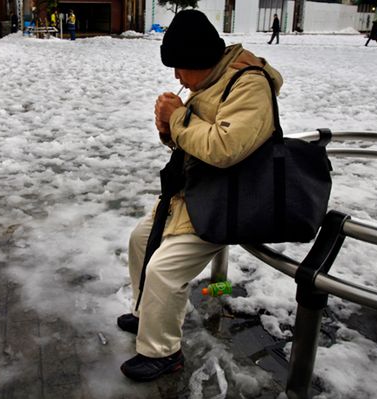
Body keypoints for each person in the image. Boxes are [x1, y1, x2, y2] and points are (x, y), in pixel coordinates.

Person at [117, 9, 283, 382]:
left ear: (197, 59)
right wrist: (167, 128)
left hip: (228, 201)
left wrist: (177, 119)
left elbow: (224, 147)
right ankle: (148, 315)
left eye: (179, 66)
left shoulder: (248, 85)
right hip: (195, 191)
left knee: (165, 270)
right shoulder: (209, 81)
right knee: (141, 240)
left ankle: (162, 353)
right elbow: (192, 141)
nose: (176, 76)